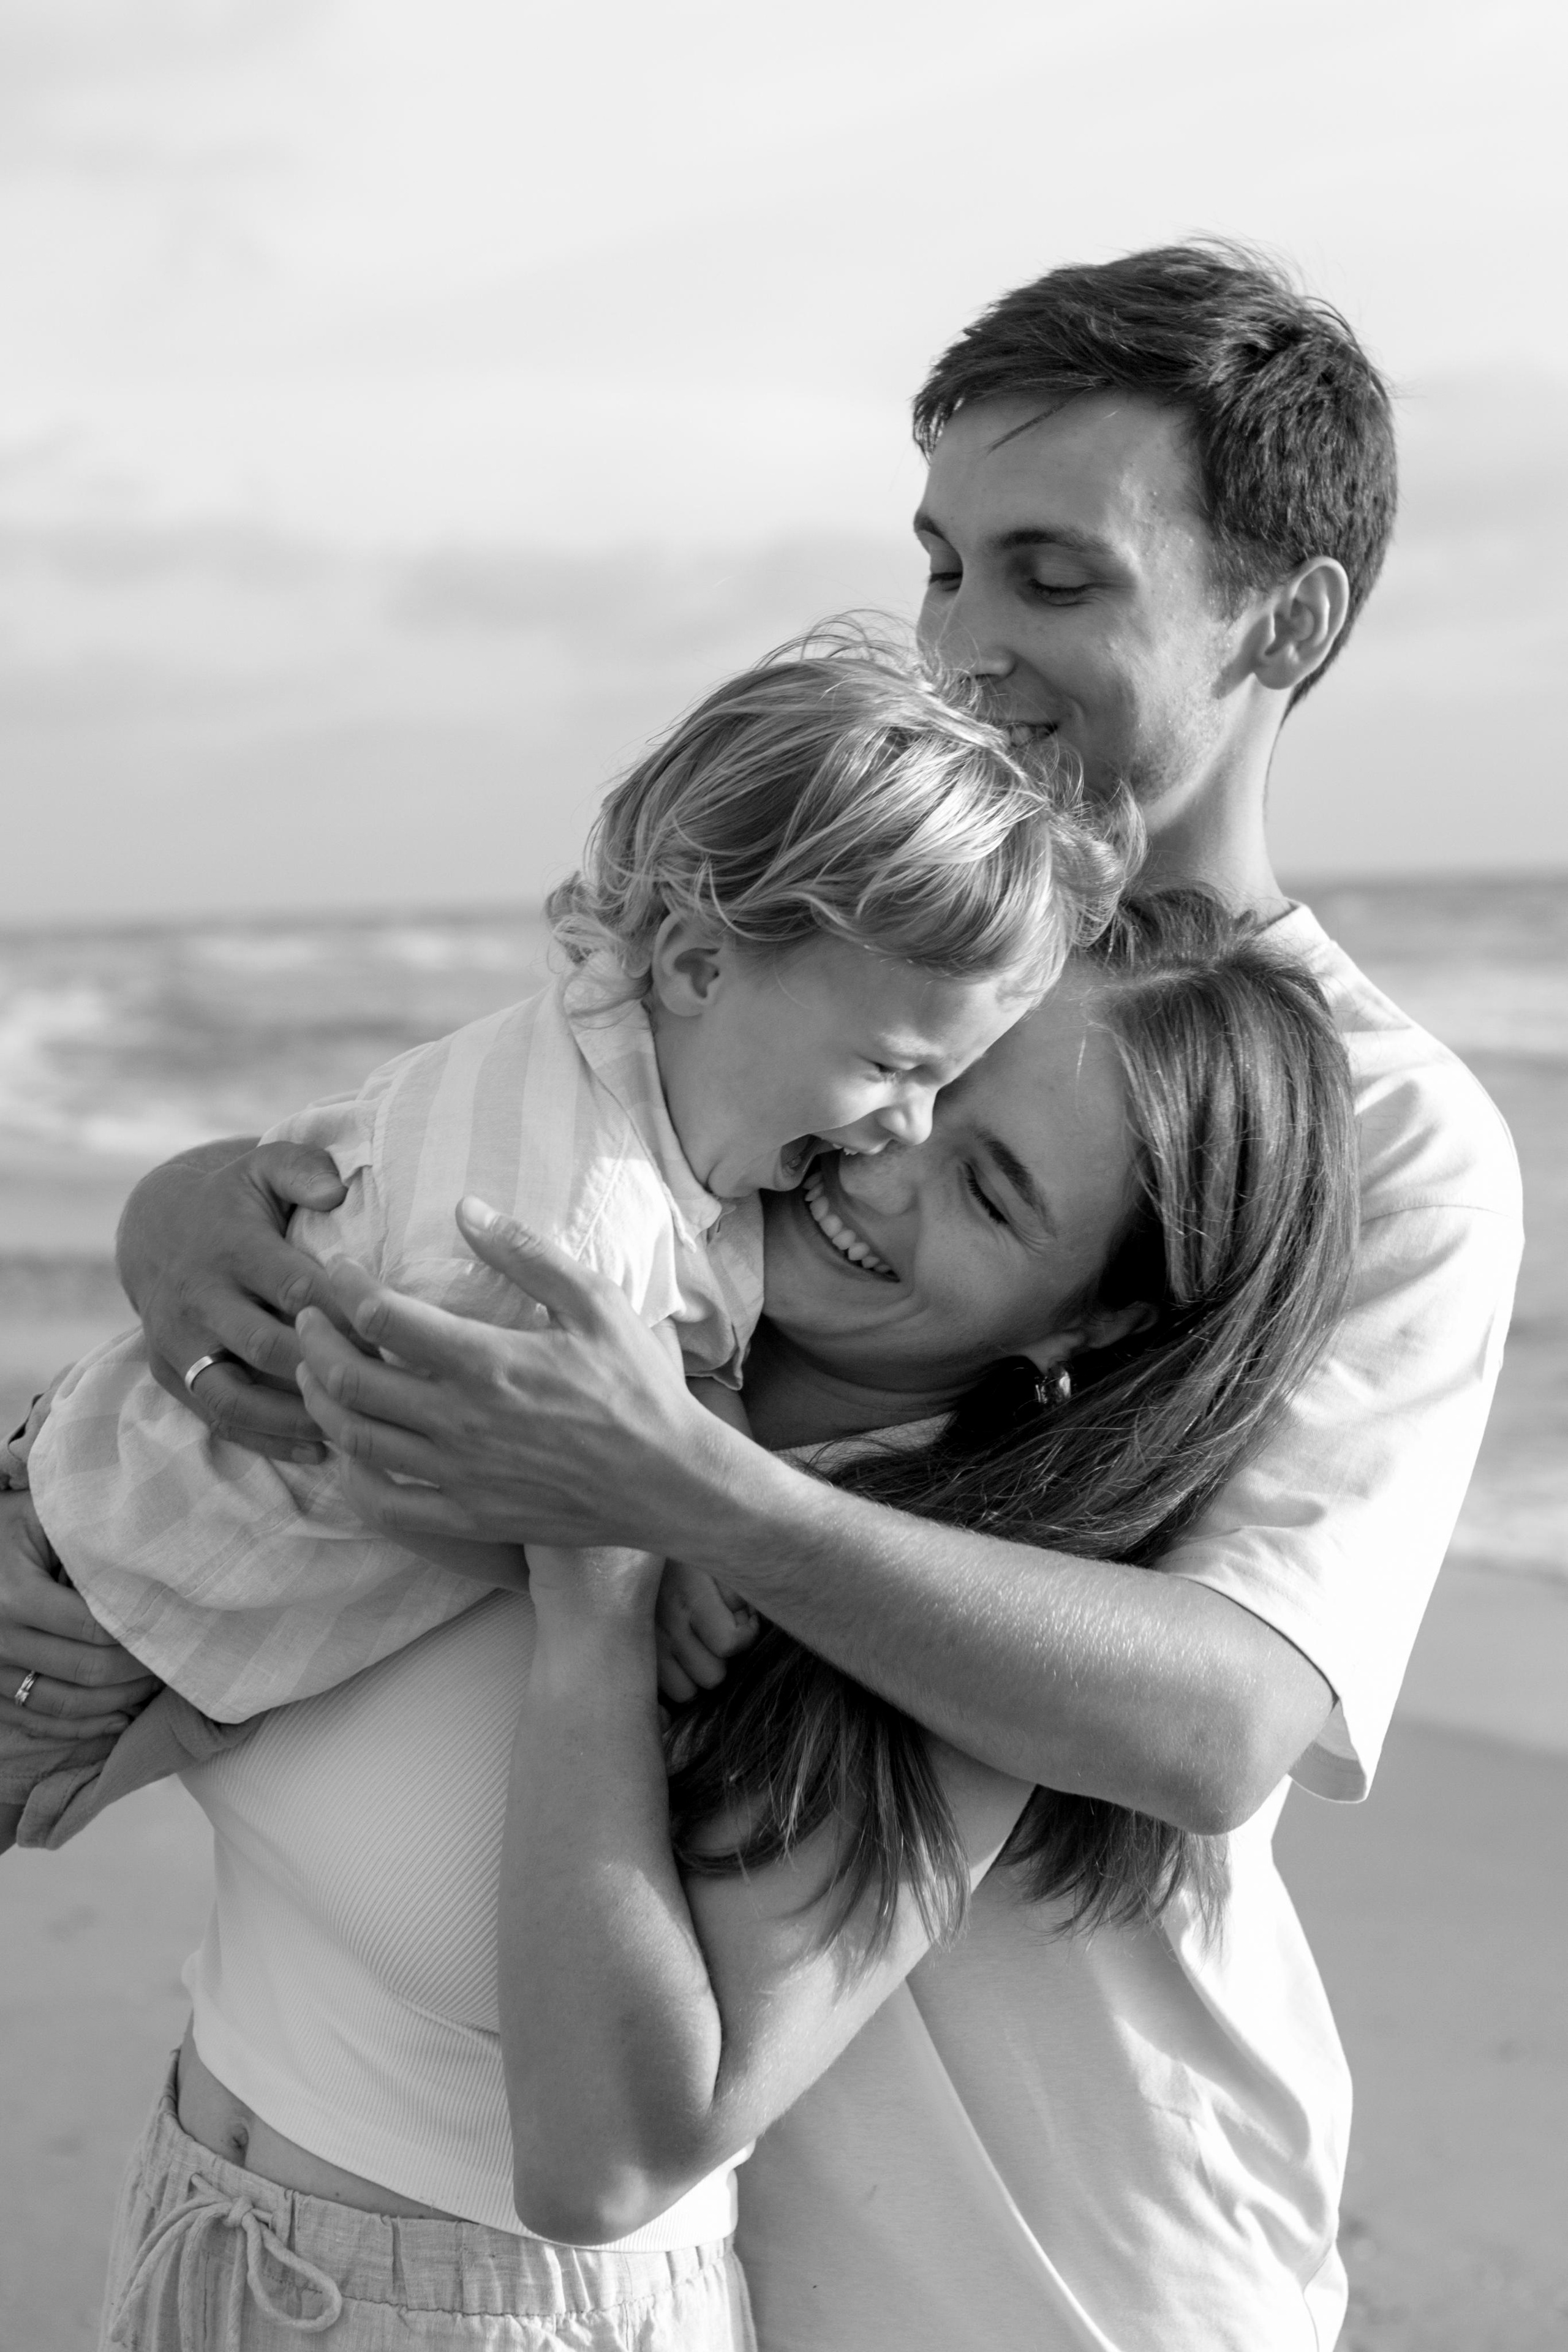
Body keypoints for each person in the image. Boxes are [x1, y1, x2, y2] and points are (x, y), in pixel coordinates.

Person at [0, 244, 1522, 2346]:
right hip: (677, 2168)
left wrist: (685, 1511)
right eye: (942, 566)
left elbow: (1228, 1718)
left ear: (1287, 618)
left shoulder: (1368, 1127)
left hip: (1041, 2235)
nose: (971, 647)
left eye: (1055, 578)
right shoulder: (899, 921)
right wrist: (194, 1224)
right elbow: (516, 1163)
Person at [19, 892, 1355, 2351]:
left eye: (991, 1192)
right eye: (915, 1075)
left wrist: (597, 1595)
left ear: (1085, 1330)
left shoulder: (914, 1618)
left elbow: (611, 2163)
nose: (888, 1154)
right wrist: (168, 1249)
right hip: (191, 2228)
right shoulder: (579, 1281)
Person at [2, 628, 1124, 1852]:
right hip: (85, 1597)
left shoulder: (660, 1086)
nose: (896, 1133)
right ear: (699, 961)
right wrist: (644, 1567)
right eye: (892, 1069)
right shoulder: (549, 1219)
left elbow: (679, 1351)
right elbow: (393, 1462)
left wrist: (706, 1482)